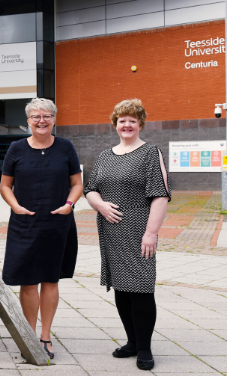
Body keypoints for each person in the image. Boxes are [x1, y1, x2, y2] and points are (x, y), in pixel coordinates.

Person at [84, 99, 170, 371]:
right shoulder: (105, 156)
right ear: (115, 124)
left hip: (138, 230)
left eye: (133, 120)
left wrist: (151, 233)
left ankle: (144, 348)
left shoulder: (150, 153)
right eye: (122, 120)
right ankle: (132, 342)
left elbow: (160, 195)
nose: (127, 125)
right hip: (111, 231)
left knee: (142, 289)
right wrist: (99, 204)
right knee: (121, 288)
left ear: (140, 124)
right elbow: (90, 188)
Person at [0, 98, 82, 360]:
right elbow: (4, 186)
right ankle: (29, 336)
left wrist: (70, 204)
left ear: (54, 119)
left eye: (46, 116)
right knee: (27, 281)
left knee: (51, 279)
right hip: (25, 224)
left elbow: (77, 184)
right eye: (35, 116)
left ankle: (46, 336)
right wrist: (15, 206)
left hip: (58, 224)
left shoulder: (66, 147)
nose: (41, 120)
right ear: (28, 121)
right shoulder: (16, 148)